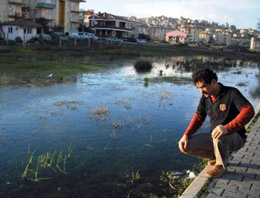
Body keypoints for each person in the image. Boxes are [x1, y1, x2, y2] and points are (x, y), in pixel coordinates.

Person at [178, 68, 255, 178]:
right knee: (186, 145)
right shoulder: (205, 98)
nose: (201, 91)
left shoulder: (231, 93)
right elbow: (199, 117)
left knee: (219, 133)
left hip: (236, 138)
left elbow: (248, 110)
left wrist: (227, 128)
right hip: (216, 137)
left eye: (203, 87)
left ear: (213, 82)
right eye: (199, 88)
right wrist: (186, 135)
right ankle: (214, 156)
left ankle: (221, 166)